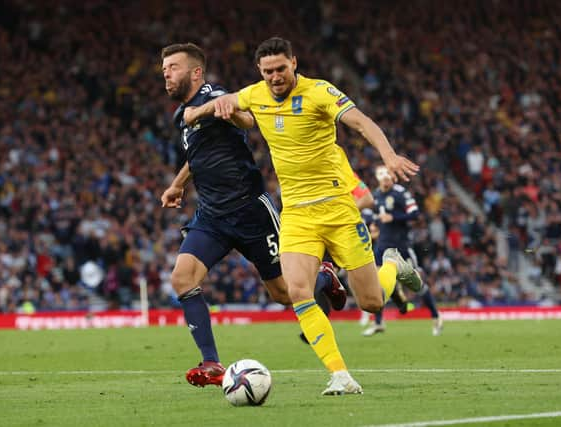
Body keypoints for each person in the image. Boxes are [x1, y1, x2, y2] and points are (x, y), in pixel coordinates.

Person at [188, 37, 422, 396]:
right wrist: (198, 112)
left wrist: (388, 156)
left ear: (294, 63)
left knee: (372, 302)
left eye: (281, 68)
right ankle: (340, 374)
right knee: (297, 291)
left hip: (338, 210)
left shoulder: (320, 92)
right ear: (260, 72)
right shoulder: (256, 93)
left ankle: (392, 265)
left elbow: (361, 122)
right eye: (268, 71)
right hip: (297, 213)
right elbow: (233, 105)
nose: (275, 77)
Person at [160, 43, 346, 389]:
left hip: (250, 210)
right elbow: (197, 155)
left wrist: (221, 110)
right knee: (182, 279)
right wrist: (177, 185)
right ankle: (212, 363)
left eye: (172, 66)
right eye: (164, 68)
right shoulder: (181, 115)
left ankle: (324, 277)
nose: (166, 72)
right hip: (212, 216)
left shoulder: (215, 95)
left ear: (195, 72)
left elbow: (246, 118)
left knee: (285, 293)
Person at [361, 165, 443, 336]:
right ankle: (378, 322)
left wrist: (394, 218)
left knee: (417, 286)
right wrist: (375, 226)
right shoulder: (375, 195)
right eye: (381, 175)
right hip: (382, 246)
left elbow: (415, 214)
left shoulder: (401, 193)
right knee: (377, 285)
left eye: (387, 175)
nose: (384, 178)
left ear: (392, 177)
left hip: (400, 248)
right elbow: (375, 217)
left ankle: (436, 316)